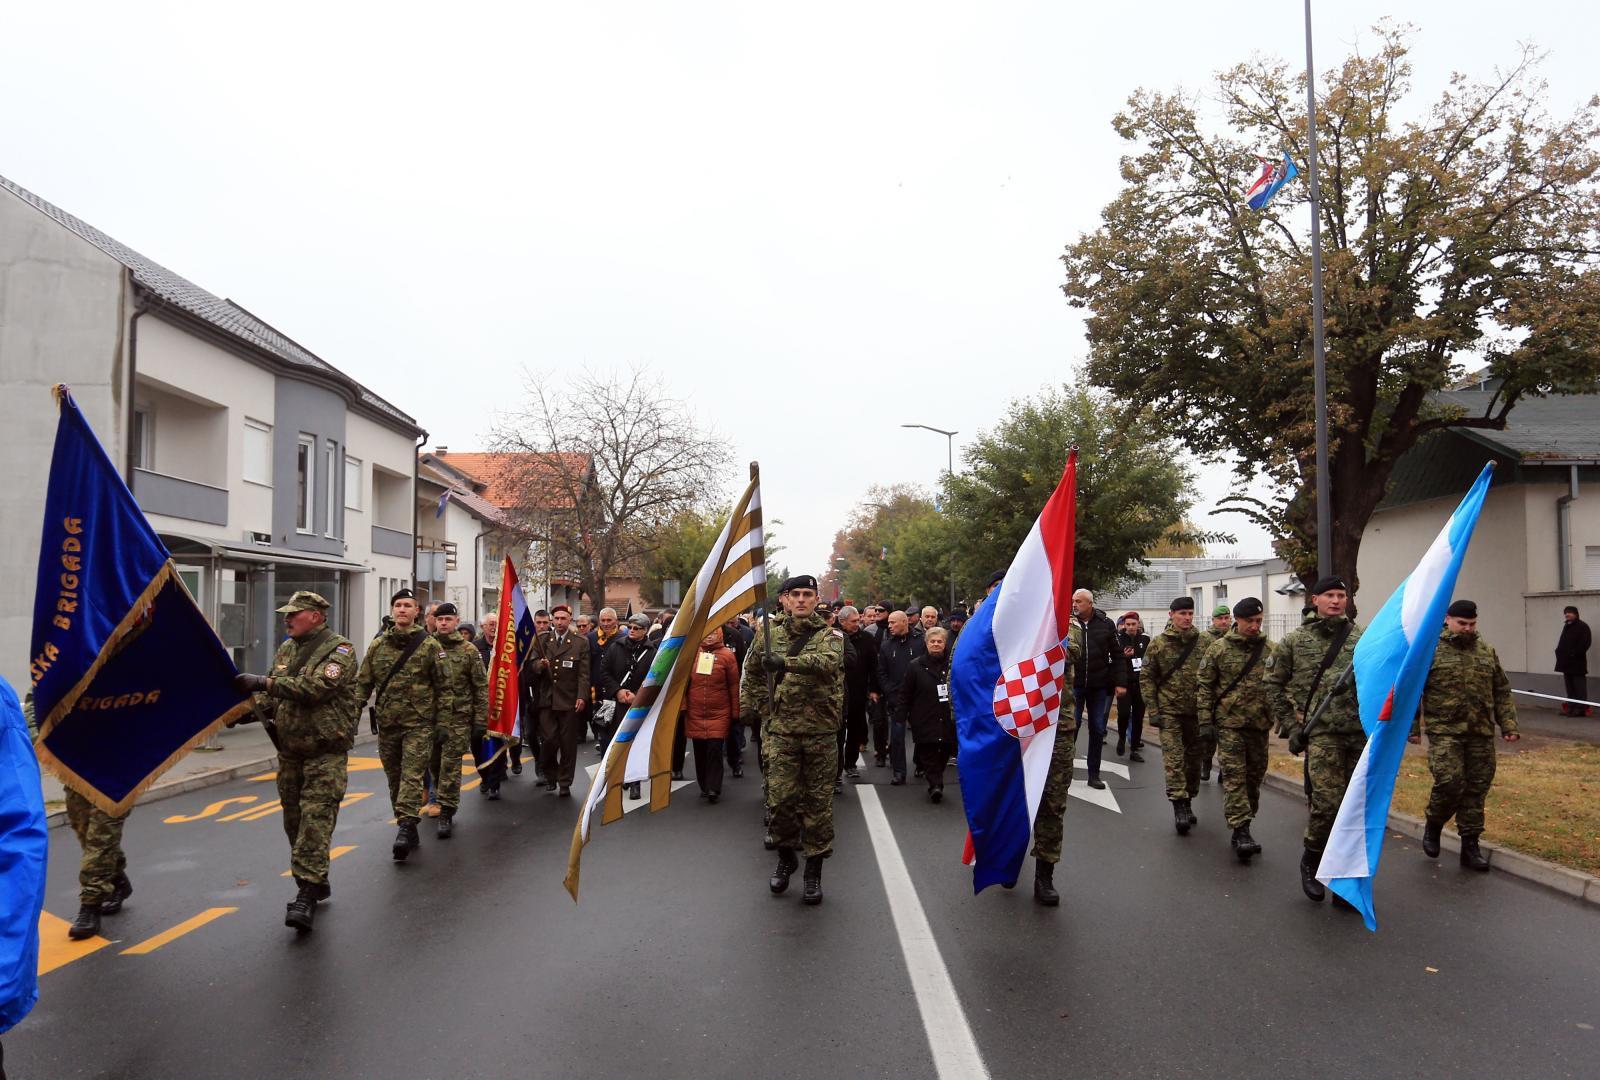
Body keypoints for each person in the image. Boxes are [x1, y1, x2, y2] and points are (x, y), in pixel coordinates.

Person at [231, 590, 360, 931]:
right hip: (290, 753)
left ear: (315, 616)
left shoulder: (340, 650)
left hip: (324, 753)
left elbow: (317, 688)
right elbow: (275, 697)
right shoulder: (287, 649)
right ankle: (314, 879)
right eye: (286, 614)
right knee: (294, 823)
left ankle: (305, 894)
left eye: (294, 614)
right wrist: (246, 711)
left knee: (315, 823)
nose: (286, 619)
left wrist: (264, 682)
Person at [740, 574, 844, 905]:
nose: (801, 599)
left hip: (820, 733)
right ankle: (786, 857)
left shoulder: (830, 635)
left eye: (807, 594)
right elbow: (752, 673)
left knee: (817, 806)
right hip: (781, 731)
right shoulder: (768, 635)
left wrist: (786, 662)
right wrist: (760, 707)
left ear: (816, 600)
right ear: (784, 599)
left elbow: (827, 663)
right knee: (780, 801)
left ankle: (813, 871)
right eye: (795, 594)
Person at [1265, 575, 1363, 903]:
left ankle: (1344, 878)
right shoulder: (1295, 641)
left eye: (1341, 595)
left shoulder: (1361, 638)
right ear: (1315, 600)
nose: (1336, 601)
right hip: (1322, 734)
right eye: (1329, 595)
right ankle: (1312, 859)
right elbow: (1273, 683)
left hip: (1359, 734)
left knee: (1354, 808)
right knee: (1328, 804)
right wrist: (1291, 726)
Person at [1409, 600, 1520, 870]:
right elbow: (1412, 692)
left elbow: (1501, 690)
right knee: (1450, 781)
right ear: (1448, 619)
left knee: (1476, 788)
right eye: (1462, 624)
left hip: (1480, 732)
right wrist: (1413, 729)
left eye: (1472, 624)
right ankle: (1434, 823)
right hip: (1445, 731)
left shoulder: (1485, 651)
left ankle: (1470, 846)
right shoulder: (1431, 650)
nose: (1468, 629)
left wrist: (1508, 725)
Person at [357, 589, 454, 861]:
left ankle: (406, 826)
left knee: (412, 775)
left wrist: (442, 723)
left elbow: (444, 687)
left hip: (419, 725)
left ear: (416, 612)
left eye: (407, 605)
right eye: (398, 605)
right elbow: (363, 684)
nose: (402, 609)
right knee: (394, 778)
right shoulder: (378, 646)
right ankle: (406, 822)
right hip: (388, 724)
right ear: (392, 610)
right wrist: (352, 715)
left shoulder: (430, 646)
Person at [1196, 598, 1276, 862]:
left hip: (1259, 726)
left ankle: (1245, 823)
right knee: (1234, 778)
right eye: (1249, 621)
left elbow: (1280, 685)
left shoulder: (1270, 651)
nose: (1254, 626)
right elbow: (1205, 686)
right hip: (1229, 725)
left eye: (1258, 621)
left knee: (1254, 779)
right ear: (1237, 620)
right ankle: (1241, 830)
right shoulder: (1219, 649)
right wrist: (1205, 721)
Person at [1141, 597, 1208, 835]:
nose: (1187, 618)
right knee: (1174, 760)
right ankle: (1179, 805)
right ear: (1171, 614)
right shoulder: (1158, 644)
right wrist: (1153, 710)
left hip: (1197, 713)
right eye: (1182, 613)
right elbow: (1147, 678)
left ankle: (1188, 799)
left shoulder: (1204, 643)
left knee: (1194, 761)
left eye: (1190, 613)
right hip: (1169, 712)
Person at [1029, 621, 1084, 906]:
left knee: (1053, 802)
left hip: (1058, 728)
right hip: (1019, 727)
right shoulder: (1014, 614)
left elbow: (1072, 651)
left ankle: (1044, 874)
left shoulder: (1067, 623)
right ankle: (1007, 858)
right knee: (1013, 799)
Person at [428, 603, 487, 837]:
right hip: (429, 718)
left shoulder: (468, 650)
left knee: (450, 766)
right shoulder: (426, 646)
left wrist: (480, 720)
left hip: (458, 718)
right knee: (434, 764)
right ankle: (437, 797)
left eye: (448, 619)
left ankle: (446, 810)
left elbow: (480, 687)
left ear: (456, 621)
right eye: (440, 619)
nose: (443, 623)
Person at [528, 604, 590, 797]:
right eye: (556, 618)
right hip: (547, 699)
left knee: (567, 744)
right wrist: (540, 665)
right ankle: (550, 774)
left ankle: (564, 782)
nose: (560, 622)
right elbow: (532, 664)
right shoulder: (542, 640)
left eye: (563, 618)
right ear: (552, 620)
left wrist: (582, 696)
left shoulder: (580, 642)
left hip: (569, 699)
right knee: (549, 739)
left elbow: (584, 674)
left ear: (570, 620)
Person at [1071, 589, 1128, 790]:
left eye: (1079, 601)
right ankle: (1065, 769)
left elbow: (1118, 655)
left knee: (1097, 728)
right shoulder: (1068, 623)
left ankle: (1093, 774)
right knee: (1072, 726)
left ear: (1090, 603)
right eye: (1073, 601)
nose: (1074, 604)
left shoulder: (1106, 624)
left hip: (1099, 686)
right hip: (1074, 685)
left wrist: (1121, 682)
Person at [602, 614, 658, 798]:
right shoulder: (615, 647)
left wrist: (637, 695)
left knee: (636, 743)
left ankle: (635, 783)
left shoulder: (652, 652)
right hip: (618, 703)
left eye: (637, 628)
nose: (632, 631)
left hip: (639, 704)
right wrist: (618, 691)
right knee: (618, 742)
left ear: (645, 631)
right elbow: (605, 672)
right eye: (630, 627)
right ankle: (620, 776)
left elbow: (654, 677)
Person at [685, 626, 740, 803]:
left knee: (715, 750)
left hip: (719, 712)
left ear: (720, 635)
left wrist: (736, 711)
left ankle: (713, 787)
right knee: (700, 751)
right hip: (696, 710)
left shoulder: (727, 655)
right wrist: (683, 706)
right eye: (706, 634)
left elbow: (734, 685)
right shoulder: (693, 653)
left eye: (713, 634)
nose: (709, 637)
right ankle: (704, 784)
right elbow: (683, 684)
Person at [901, 626, 955, 801]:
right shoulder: (915, 666)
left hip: (946, 717)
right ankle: (935, 785)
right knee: (928, 751)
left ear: (945, 643)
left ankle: (936, 778)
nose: (936, 644)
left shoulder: (952, 665)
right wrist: (902, 714)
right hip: (923, 717)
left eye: (939, 641)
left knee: (944, 750)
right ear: (926, 643)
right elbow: (906, 693)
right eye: (932, 641)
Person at [876, 609, 926, 784]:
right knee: (897, 736)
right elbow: (881, 671)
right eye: (888, 622)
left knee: (922, 734)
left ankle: (921, 764)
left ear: (904, 622)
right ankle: (899, 772)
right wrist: (889, 690)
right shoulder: (886, 645)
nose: (889, 626)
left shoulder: (920, 641)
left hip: (919, 696)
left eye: (893, 622)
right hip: (897, 697)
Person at [837, 605, 877, 781]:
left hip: (858, 692)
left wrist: (874, 689)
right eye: (853, 621)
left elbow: (873, 666)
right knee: (838, 732)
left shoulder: (866, 638)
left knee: (855, 730)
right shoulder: (833, 637)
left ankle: (851, 764)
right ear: (842, 622)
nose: (857, 624)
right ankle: (836, 769)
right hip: (837, 693)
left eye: (858, 620)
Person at [1200, 603, 1232, 781]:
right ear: (1213, 620)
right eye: (1220, 618)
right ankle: (1206, 762)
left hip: (1229, 695)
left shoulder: (1235, 637)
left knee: (1227, 736)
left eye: (1227, 618)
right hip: (1210, 694)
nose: (1224, 621)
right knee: (1209, 735)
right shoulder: (1204, 638)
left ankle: (1224, 769)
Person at [1114, 612, 1149, 762]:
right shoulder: (1118, 639)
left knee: (1138, 717)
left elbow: (1150, 658)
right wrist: (1124, 656)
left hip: (1140, 684)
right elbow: (1114, 659)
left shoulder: (1145, 639)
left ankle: (1134, 747)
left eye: (1133, 624)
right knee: (1123, 714)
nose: (1130, 627)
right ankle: (1122, 737)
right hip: (1125, 683)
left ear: (1138, 624)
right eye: (1128, 624)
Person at [1555, 606, 1592, 716]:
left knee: (1579, 687)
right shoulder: (1567, 626)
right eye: (1566, 613)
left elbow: (1585, 643)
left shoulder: (1582, 626)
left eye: (1570, 612)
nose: (1567, 615)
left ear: (1575, 614)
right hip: (1566, 663)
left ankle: (1580, 709)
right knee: (1570, 687)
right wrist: (1559, 652)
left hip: (1577, 663)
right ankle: (1571, 707)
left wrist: (1573, 654)